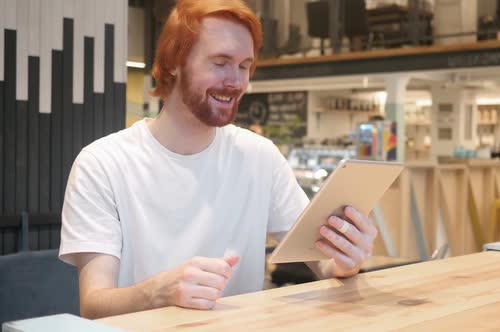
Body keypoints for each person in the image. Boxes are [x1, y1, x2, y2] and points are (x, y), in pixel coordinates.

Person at [59, 0, 377, 319]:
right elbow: (94, 304)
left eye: (243, 66)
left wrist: (345, 261)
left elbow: (322, 264)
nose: (236, 81)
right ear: (173, 62)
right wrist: (158, 291)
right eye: (220, 62)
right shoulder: (102, 164)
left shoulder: (260, 157)